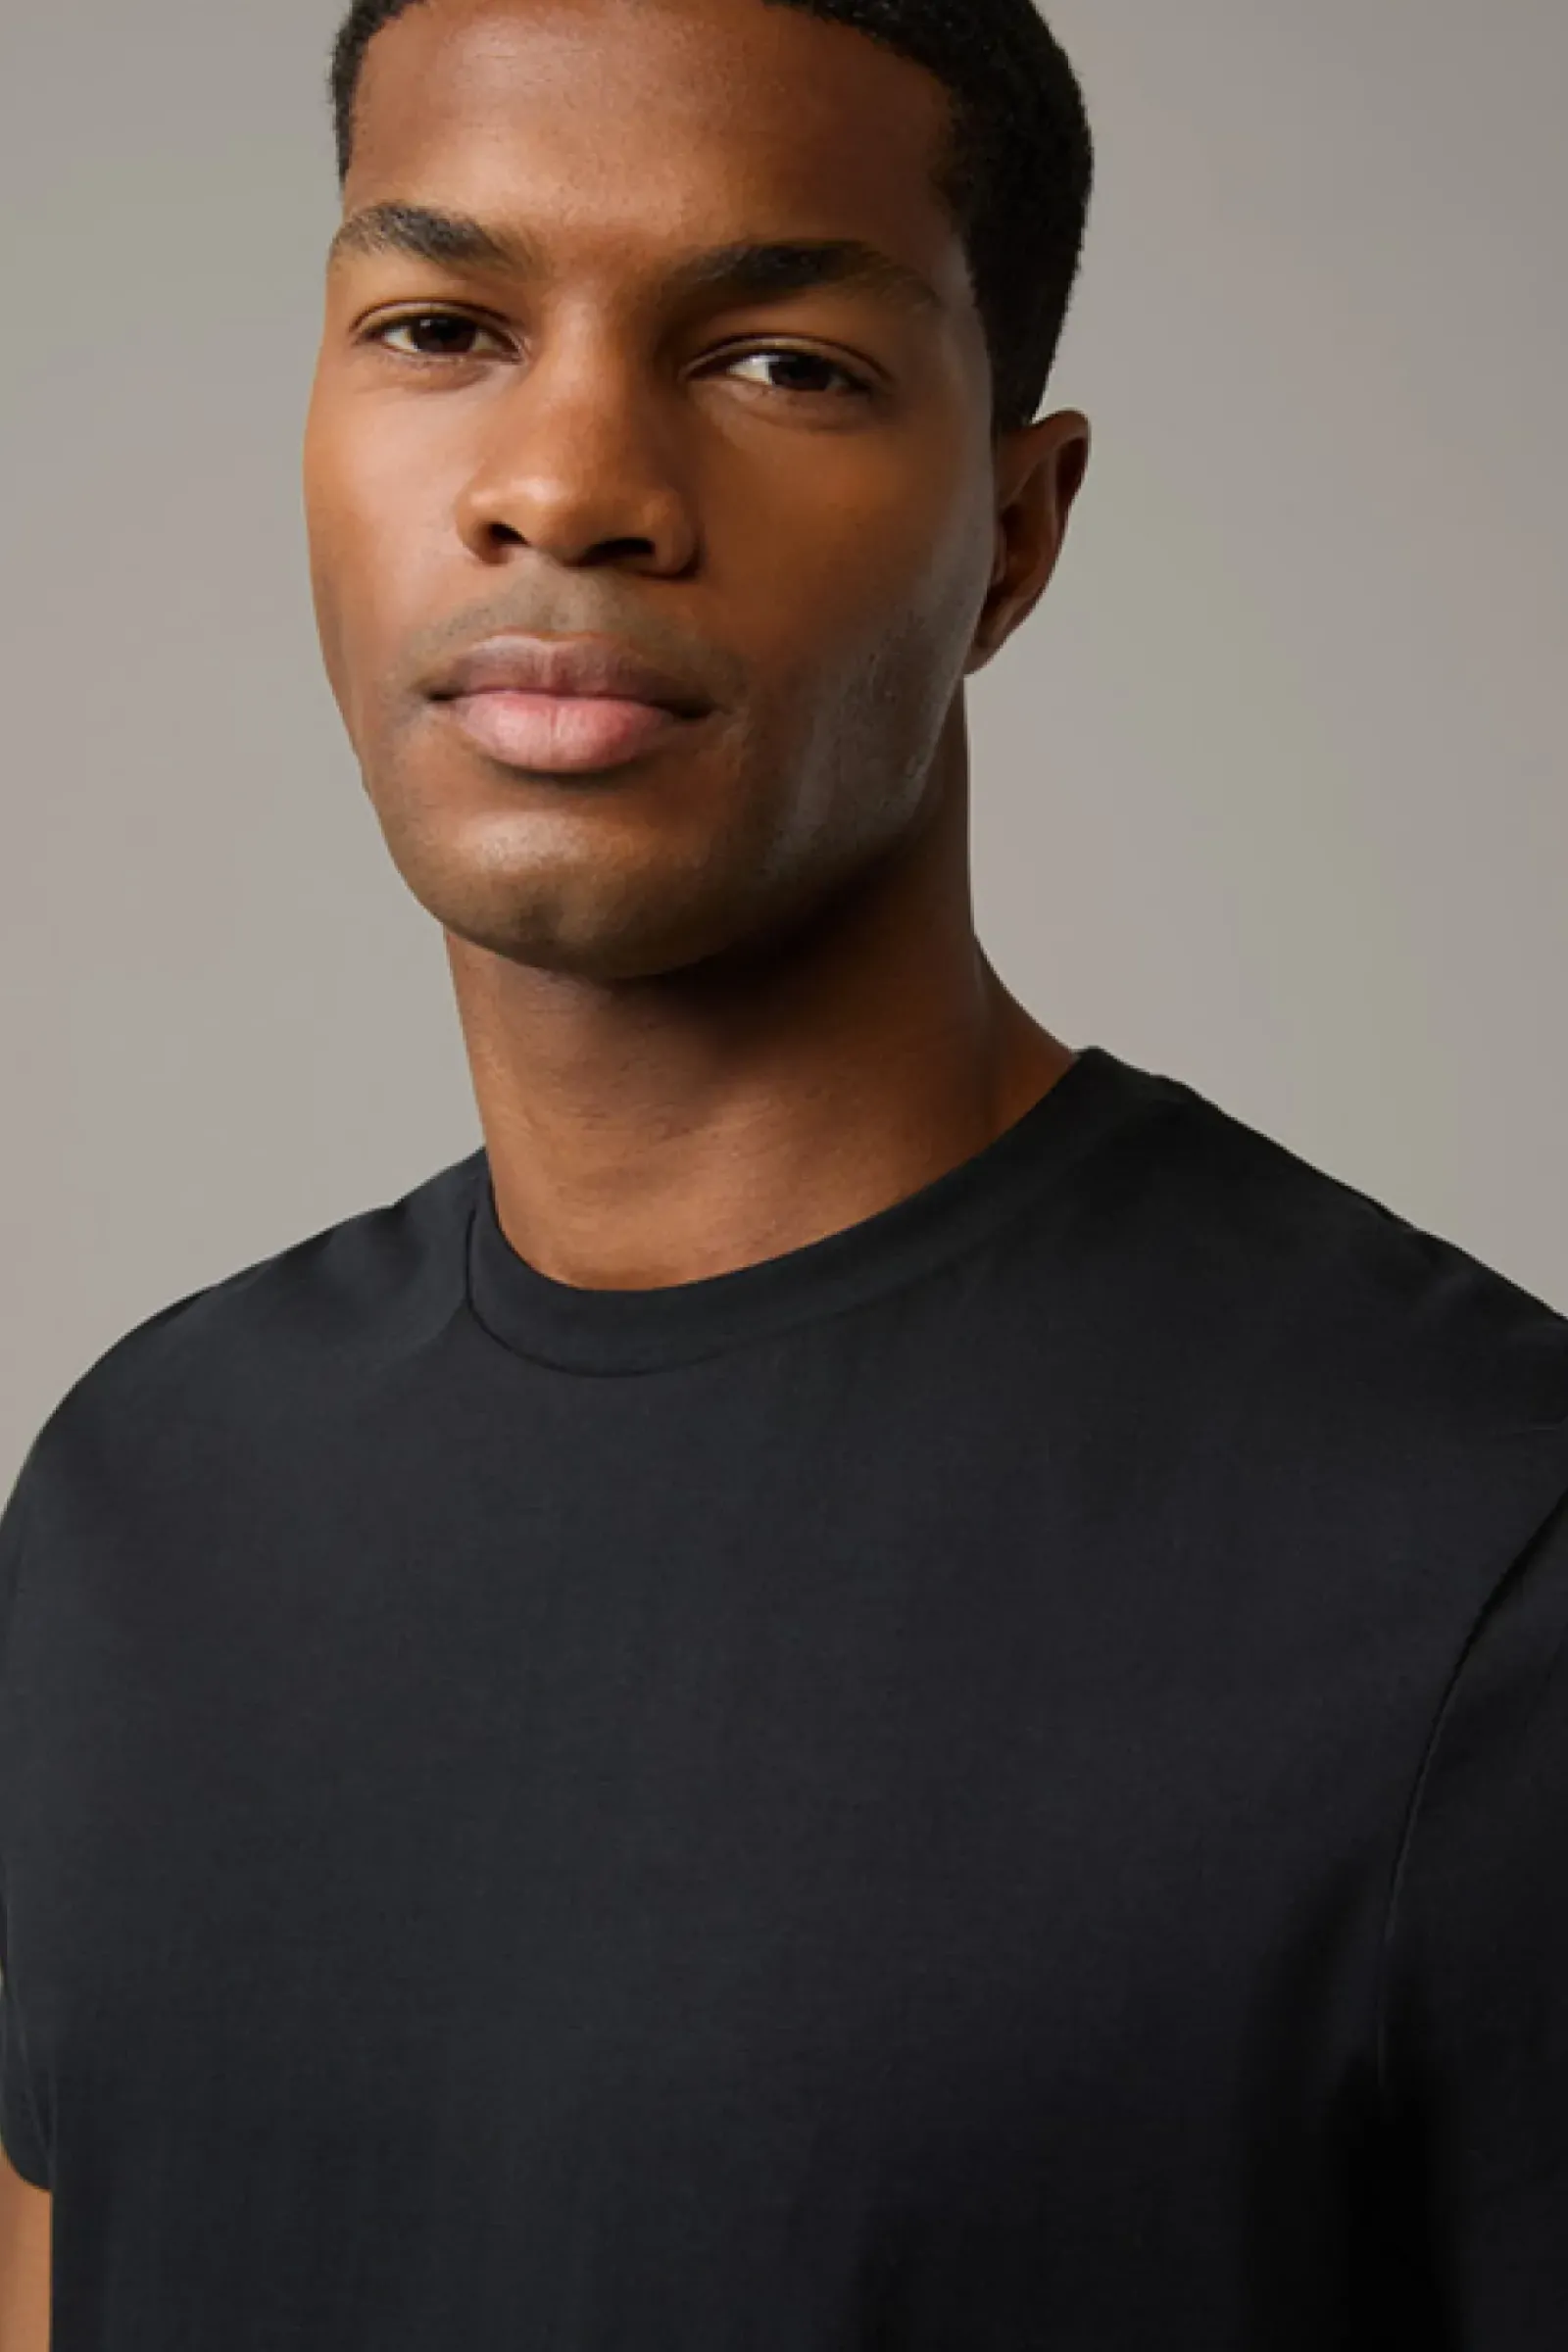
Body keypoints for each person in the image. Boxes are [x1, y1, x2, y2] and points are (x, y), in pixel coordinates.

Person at [3, 0, 1566, 2342]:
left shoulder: (1480, 1569)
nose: (566, 485)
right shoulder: (140, 1500)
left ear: (1010, 536)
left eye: (779, 364)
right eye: (440, 327)